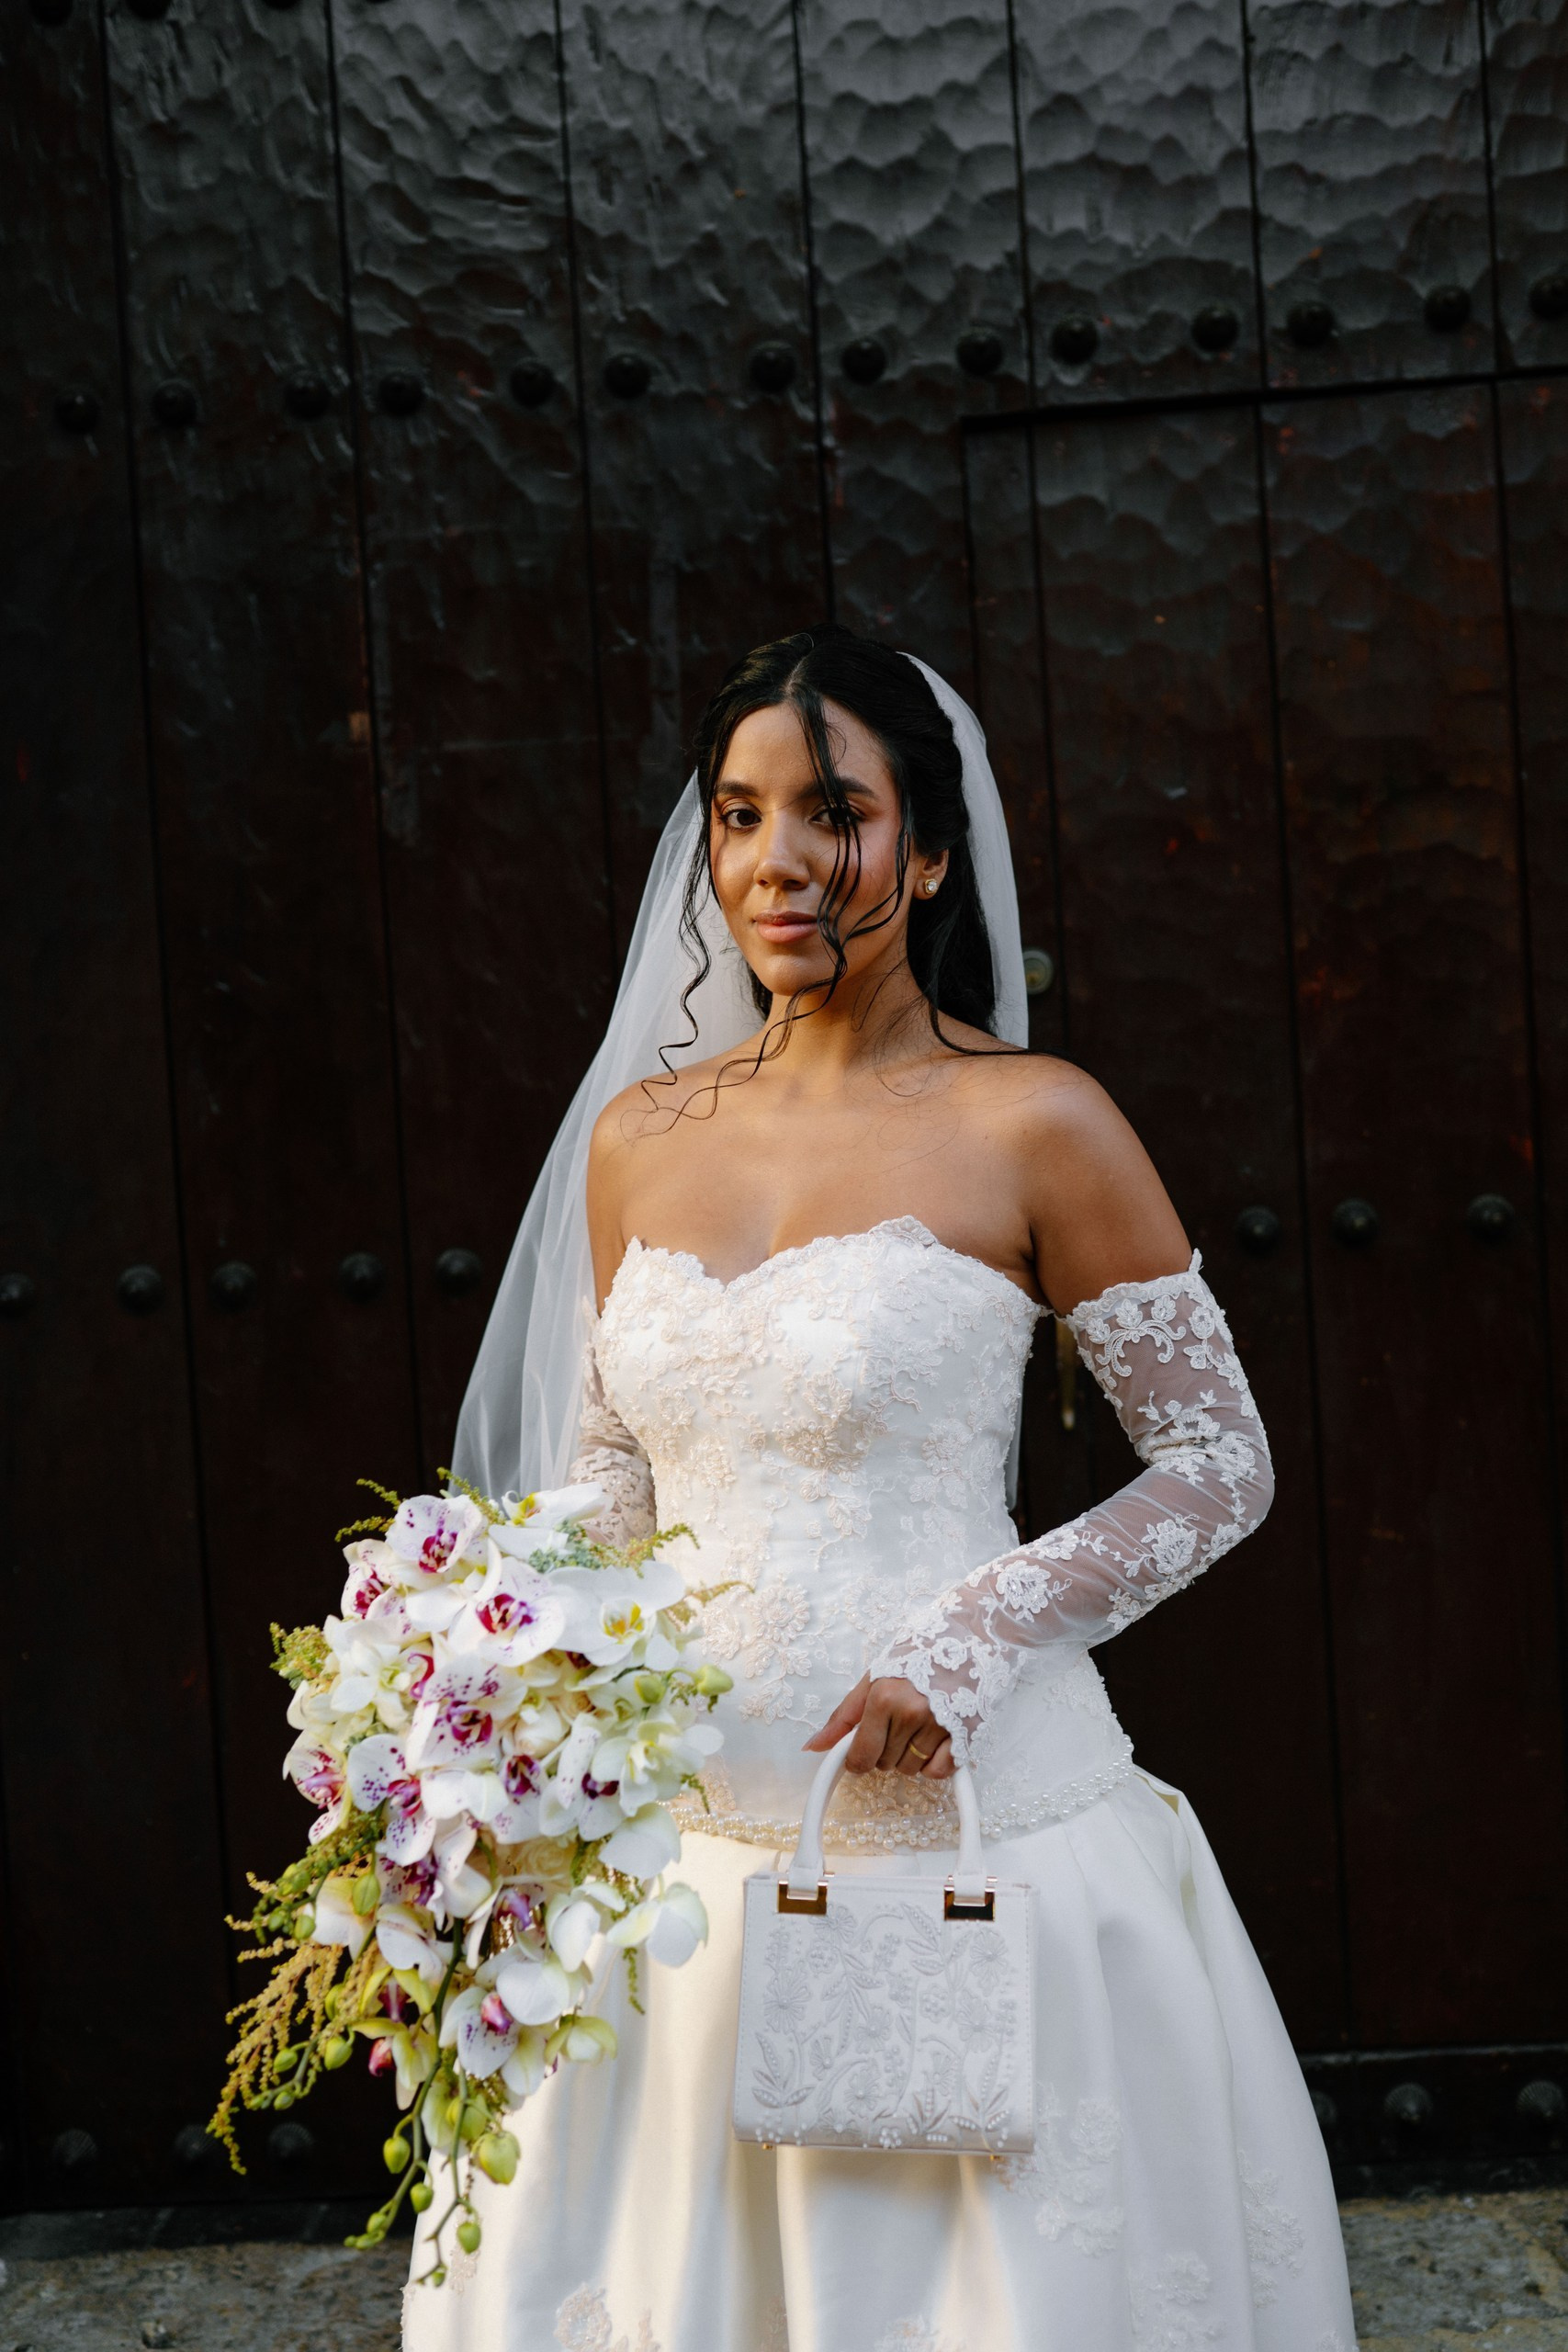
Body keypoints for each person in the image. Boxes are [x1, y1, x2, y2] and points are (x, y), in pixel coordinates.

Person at [406, 627, 1356, 2351]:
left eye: (831, 812)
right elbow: (613, 1474)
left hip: (968, 1813)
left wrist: (977, 1635)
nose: (779, 861)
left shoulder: (1037, 1123)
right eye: (741, 814)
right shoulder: (643, 1136)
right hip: (675, 1857)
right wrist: (500, 1710)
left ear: (922, 851)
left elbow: (1222, 1466)